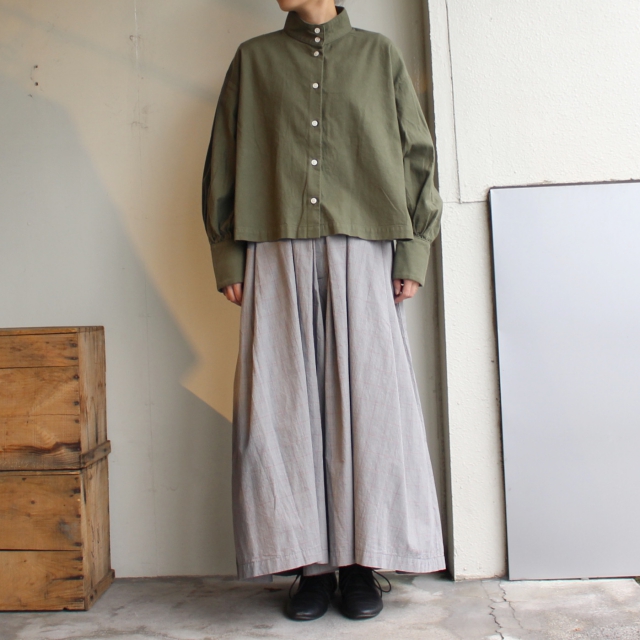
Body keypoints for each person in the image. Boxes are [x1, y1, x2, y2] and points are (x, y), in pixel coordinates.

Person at [202, 0, 446, 621]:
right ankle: (308, 566)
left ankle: (362, 563)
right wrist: (229, 255)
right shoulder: (253, 61)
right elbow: (224, 157)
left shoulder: (379, 56)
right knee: (283, 407)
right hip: (274, 243)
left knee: (368, 404)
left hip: (363, 246)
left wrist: (413, 251)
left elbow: (417, 157)